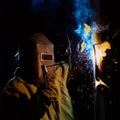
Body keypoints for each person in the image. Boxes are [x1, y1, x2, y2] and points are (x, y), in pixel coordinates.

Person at [0, 32, 74, 120]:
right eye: (41, 57)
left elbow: (78, 66)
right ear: (26, 60)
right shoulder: (14, 88)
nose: (44, 65)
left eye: (47, 57)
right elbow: (23, 115)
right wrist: (44, 98)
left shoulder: (60, 72)